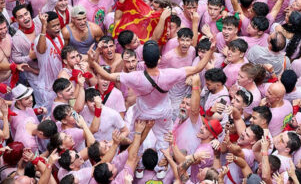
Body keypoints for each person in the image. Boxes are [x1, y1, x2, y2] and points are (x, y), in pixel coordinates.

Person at [88, 38, 215, 167]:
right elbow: (198, 68)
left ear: (143, 60)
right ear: (159, 59)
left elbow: (108, 76)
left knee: (138, 139)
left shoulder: (136, 77)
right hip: (163, 113)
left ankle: (138, 166)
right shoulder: (169, 74)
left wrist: (93, 62)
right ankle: (162, 166)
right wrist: (210, 51)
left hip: (143, 113)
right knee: (164, 140)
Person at [34, 11, 64, 110]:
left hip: (60, 82)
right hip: (47, 87)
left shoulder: (59, 35)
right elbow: (41, 50)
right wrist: (43, 26)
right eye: (54, 26)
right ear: (46, 27)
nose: (57, 28)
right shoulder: (41, 39)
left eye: (58, 24)